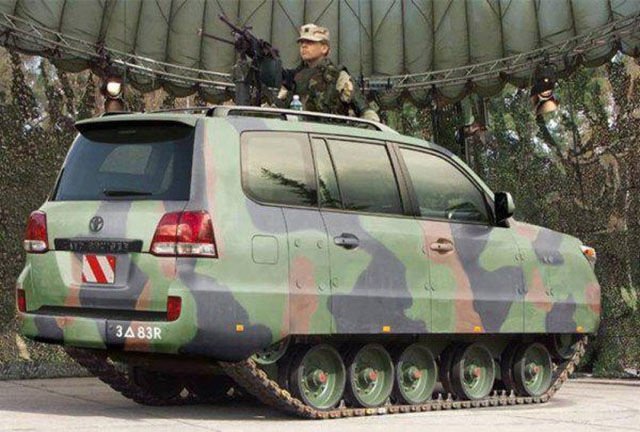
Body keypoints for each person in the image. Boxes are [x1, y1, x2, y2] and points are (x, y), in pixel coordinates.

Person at [277, 24, 380, 122]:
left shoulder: (337, 75)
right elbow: (278, 108)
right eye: (302, 43)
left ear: (324, 48)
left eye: (310, 42)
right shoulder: (294, 77)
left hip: (330, 131)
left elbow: (363, 108)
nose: (304, 46)